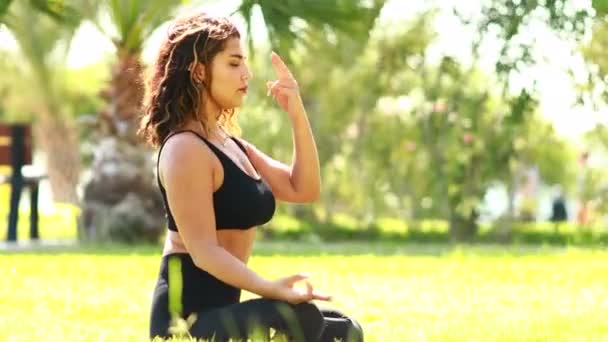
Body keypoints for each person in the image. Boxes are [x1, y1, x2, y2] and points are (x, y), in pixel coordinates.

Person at [139, 12, 363, 341]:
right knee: (299, 319)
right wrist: (270, 288)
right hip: (185, 325)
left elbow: (304, 188)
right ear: (199, 71)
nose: (247, 73)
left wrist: (296, 111)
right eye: (233, 63)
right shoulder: (185, 149)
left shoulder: (230, 145)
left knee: (344, 331)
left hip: (224, 311)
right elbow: (203, 252)